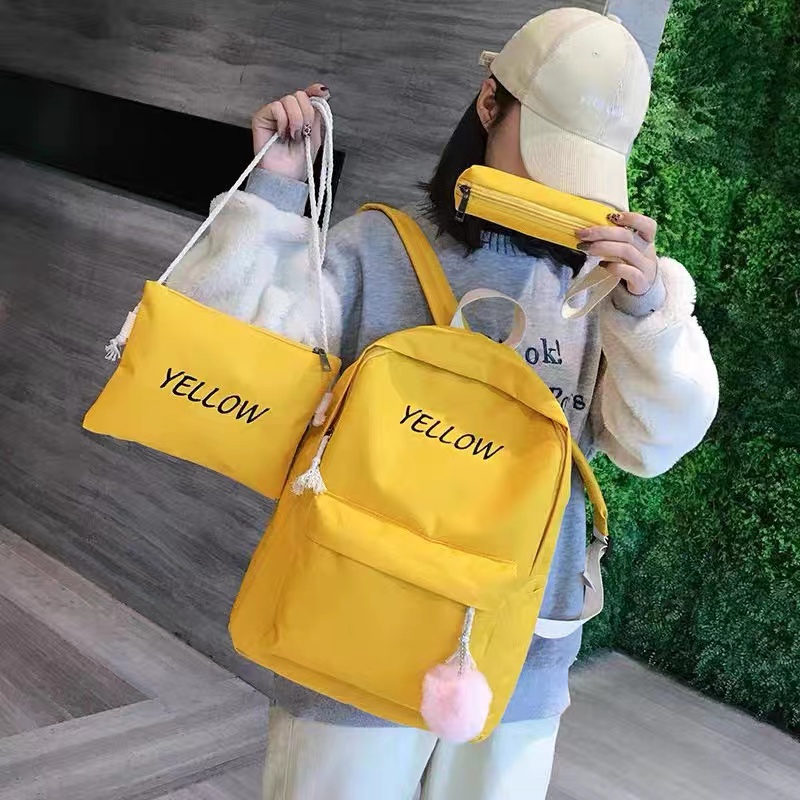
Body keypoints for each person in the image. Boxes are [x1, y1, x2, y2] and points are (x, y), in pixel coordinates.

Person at [173, 8, 719, 799]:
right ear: (490, 103)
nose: (561, 185)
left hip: (520, 654)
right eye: (550, 150)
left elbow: (651, 446)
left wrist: (649, 317)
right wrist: (272, 193)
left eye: (583, 167)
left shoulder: (604, 296)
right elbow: (226, 370)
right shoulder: (376, 249)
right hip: (353, 629)